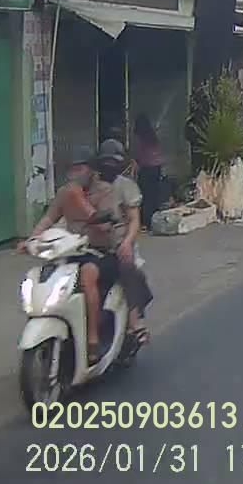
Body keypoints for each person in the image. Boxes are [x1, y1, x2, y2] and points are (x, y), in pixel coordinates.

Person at [20, 146, 122, 365]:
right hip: (71, 252)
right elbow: (48, 219)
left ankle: (92, 340)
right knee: (43, 276)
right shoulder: (65, 193)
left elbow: (105, 227)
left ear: (92, 170)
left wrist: (79, 200)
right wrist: (31, 240)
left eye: (80, 168)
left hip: (101, 253)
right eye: (72, 169)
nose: (75, 173)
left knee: (87, 274)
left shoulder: (106, 191)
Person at [92, 140, 149, 345]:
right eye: (105, 162)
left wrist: (126, 242)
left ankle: (134, 319)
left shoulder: (126, 186)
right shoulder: (90, 186)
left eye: (113, 162)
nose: (109, 166)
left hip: (118, 244)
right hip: (90, 245)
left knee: (127, 268)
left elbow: (134, 220)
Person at [132, 114, 165, 229]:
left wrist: (135, 166)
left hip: (146, 168)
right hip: (156, 168)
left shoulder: (140, 138)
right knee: (154, 194)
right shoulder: (153, 136)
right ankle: (154, 220)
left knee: (145, 195)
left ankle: (146, 221)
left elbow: (138, 155)